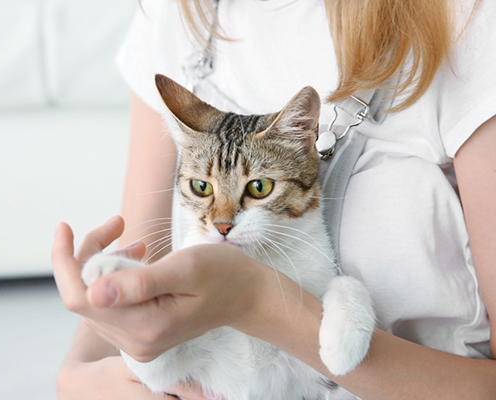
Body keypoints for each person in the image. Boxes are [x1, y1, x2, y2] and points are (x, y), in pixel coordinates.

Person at [52, 0, 496, 398]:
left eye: (258, 188)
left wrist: (253, 301)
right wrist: (78, 376)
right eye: (202, 190)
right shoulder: (177, 12)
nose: (221, 220)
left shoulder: (466, 21)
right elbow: (114, 329)